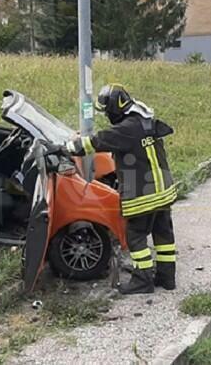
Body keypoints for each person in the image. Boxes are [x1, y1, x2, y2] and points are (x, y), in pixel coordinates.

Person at [66, 85, 177, 295]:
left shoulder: (126, 129)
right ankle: (167, 276)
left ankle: (142, 280)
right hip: (164, 190)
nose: (107, 115)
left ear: (115, 109)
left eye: (107, 111)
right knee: (163, 233)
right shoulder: (144, 120)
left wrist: (67, 147)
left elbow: (97, 142)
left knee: (135, 235)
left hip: (144, 193)